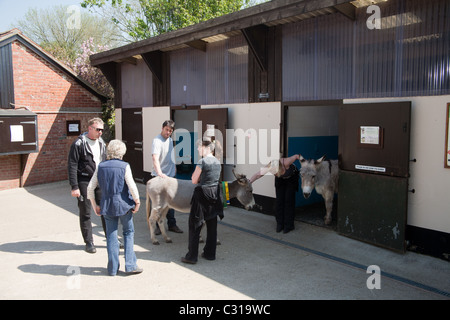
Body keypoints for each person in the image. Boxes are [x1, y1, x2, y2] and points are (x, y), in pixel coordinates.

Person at [87, 139, 143, 276]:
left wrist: (95, 206)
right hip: (124, 204)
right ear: (121, 152)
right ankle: (130, 265)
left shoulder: (100, 166)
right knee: (128, 233)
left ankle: (112, 268)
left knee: (111, 235)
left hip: (107, 204)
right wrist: (137, 201)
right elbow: (132, 185)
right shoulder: (124, 166)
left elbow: (90, 188)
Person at [68, 117, 107, 253]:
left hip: (99, 180)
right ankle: (89, 242)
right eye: (98, 129)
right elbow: (72, 165)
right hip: (84, 181)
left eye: (102, 130)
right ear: (90, 128)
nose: (100, 132)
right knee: (86, 212)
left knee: (104, 210)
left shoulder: (102, 143)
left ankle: (111, 238)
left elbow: (105, 161)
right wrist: (74, 186)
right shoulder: (79, 144)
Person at [182, 140, 223, 264]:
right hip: (215, 194)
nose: (198, 150)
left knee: (195, 225)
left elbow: (194, 180)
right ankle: (210, 254)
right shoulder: (217, 162)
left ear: (206, 148)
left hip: (202, 195)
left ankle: (191, 256)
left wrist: (198, 177)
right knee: (212, 226)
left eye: (199, 147)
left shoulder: (202, 162)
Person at [250, 154, 300, 233]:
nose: (274, 174)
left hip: (291, 178)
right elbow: (257, 175)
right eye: (274, 173)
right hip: (280, 180)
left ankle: (289, 225)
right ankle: (280, 224)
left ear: (281, 168)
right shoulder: (270, 167)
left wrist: (305, 163)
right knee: (279, 201)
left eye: (276, 173)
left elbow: (297, 156)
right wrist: (249, 182)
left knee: (288, 200)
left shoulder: (286, 162)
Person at [151, 120, 183, 234]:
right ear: (162, 128)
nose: (168, 132)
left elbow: (171, 155)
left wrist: (174, 167)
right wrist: (159, 173)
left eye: (170, 131)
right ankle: (156, 226)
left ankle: (172, 225)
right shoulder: (157, 141)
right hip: (159, 177)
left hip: (170, 176)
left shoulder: (169, 140)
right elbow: (155, 158)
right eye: (166, 130)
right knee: (158, 203)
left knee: (171, 202)